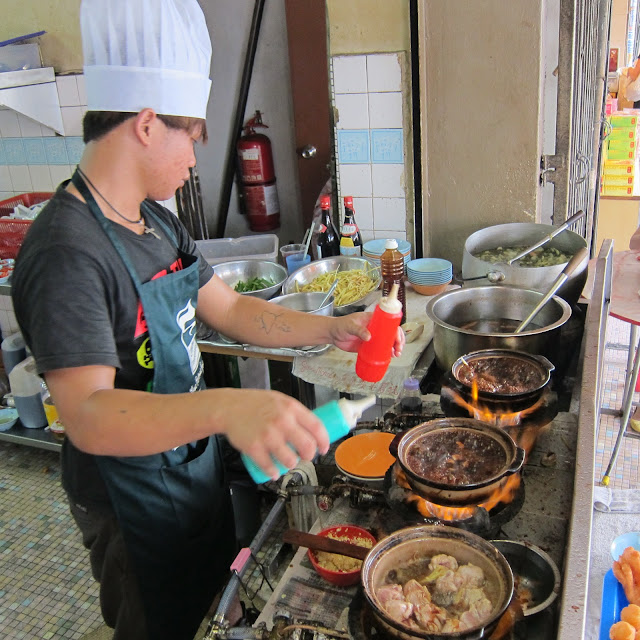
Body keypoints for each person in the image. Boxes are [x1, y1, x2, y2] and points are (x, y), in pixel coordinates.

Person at [10, 2, 405, 639]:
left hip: (188, 471)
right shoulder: (67, 251)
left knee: (213, 607)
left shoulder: (153, 220)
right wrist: (228, 409)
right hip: (131, 504)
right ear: (145, 125)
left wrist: (329, 329)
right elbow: (87, 415)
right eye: (191, 135)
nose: (196, 156)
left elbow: (229, 308)